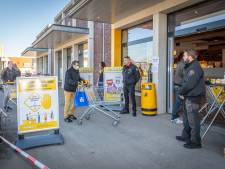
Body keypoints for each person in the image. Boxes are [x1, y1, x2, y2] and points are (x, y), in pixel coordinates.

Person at [176, 49, 205, 149]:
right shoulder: (190, 66)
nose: (183, 58)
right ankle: (186, 136)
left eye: (185, 56)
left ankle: (196, 142)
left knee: (193, 120)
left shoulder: (195, 67)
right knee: (187, 119)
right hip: (188, 96)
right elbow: (185, 82)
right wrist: (182, 92)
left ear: (190, 56)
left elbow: (189, 84)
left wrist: (181, 92)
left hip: (193, 97)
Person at [172, 53, 185, 124]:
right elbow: (185, 75)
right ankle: (174, 117)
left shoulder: (179, 63)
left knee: (178, 102)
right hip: (179, 85)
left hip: (177, 85)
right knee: (178, 102)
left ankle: (175, 116)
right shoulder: (182, 64)